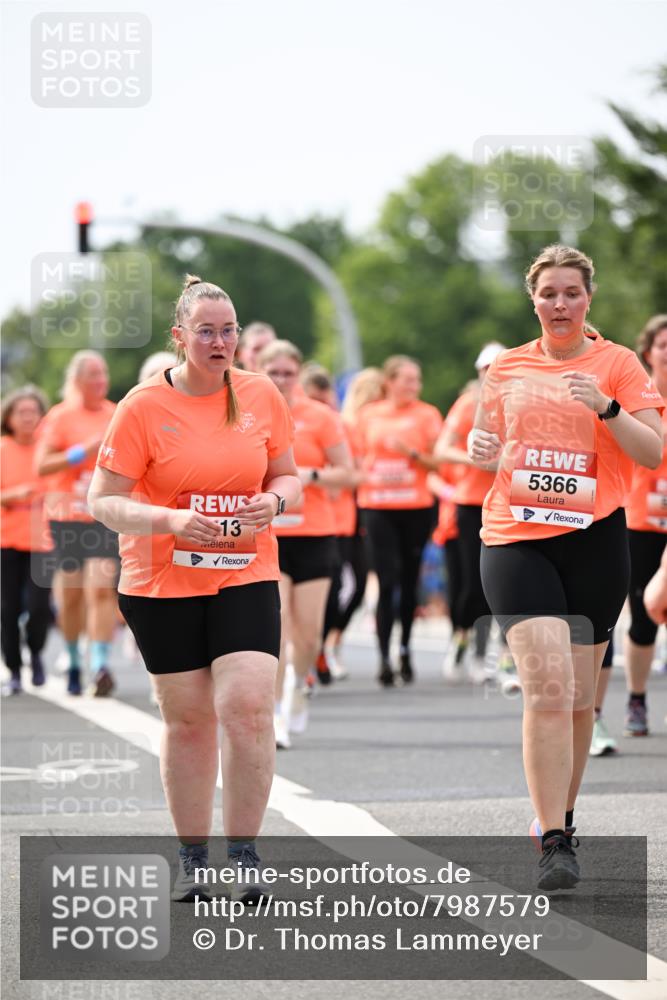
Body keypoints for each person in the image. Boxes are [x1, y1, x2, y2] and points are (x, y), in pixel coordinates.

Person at [88, 275, 300, 902]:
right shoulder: (142, 407)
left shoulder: (261, 394)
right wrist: (172, 519)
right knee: (188, 723)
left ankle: (245, 854)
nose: (219, 341)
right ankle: (192, 858)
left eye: (228, 329)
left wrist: (273, 500)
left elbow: (290, 475)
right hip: (162, 581)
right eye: (205, 331)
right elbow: (102, 501)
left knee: (249, 708)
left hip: (244, 569)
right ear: (180, 337)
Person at [469, 244, 662, 890]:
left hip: (594, 539)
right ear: (532, 299)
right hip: (514, 539)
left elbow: (652, 453)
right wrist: (479, 449)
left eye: (570, 293)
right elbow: (486, 449)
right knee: (548, 690)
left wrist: (605, 409)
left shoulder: (616, 363)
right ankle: (553, 839)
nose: (559, 304)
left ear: (588, 298)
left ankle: (563, 816)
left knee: (580, 700)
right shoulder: (504, 368)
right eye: (547, 293)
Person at [259, 341, 352, 746]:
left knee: (308, 632)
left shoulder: (320, 417)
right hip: (270, 535)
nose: (281, 380)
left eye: (288, 373)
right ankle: (277, 712)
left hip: (315, 534)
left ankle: (297, 691)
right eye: (273, 372)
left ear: (299, 375)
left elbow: (349, 473)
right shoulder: (250, 414)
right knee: (275, 629)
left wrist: (310, 477)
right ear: (260, 371)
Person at [35, 351, 118, 697]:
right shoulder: (61, 416)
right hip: (66, 517)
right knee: (71, 597)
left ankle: (99, 665)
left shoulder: (116, 414)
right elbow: (42, 466)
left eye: (103, 375)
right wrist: (83, 451)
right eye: (93, 376)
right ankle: (72, 660)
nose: (100, 382)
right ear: (78, 380)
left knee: (100, 590)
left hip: (101, 516)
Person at [356, 356, 442, 686]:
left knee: (408, 582)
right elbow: (356, 456)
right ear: (389, 382)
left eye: (417, 380)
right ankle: (383, 657)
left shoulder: (427, 414)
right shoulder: (369, 416)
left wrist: (410, 453)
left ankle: (405, 648)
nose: (413, 386)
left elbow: (439, 464)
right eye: (407, 380)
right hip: (377, 505)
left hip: (416, 507)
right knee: (387, 579)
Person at [435, 345, 507, 683]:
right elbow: (441, 449)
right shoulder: (468, 404)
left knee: (496, 583)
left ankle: (483, 653)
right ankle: (460, 637)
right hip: (469, 504)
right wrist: (476, 458)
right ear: (478, 372)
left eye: (498, 367)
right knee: (469, 582)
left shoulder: (521, 403)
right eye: (485, 369)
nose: (491, 374)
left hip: (508, 502)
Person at [622, 314, 667, 737]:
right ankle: (636, 698)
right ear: (649, 351)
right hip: (641, 522)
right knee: (643, 619)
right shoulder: (639, 396)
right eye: (664, 345)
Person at [0, 386, 53, 692]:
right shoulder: (3, 449)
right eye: (22, 412)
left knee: (40, 607)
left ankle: (35, 652)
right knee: (7, 609)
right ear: (9, 417)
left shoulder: (48, 449)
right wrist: (11, 495)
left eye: (33, 412)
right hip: (6, 540)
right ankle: (14, 670)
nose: (28, 418)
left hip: (43, 540)